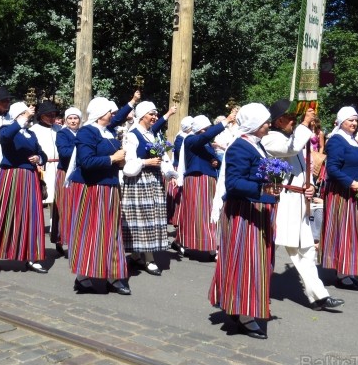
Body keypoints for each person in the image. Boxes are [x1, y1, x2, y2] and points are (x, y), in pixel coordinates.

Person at [261, 99, 344, 311]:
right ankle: (253, 289)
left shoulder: (292, 137)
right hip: (281, 203)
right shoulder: (271, 139)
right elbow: (292, 148)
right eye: (292, 118)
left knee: (306, 250)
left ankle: (319, 297)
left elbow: (301, 170)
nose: (295, 121)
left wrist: (310, 187)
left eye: (297, 118)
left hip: (297, 201)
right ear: (279, 121)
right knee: (266, 249)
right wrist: (306, 124)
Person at [209, 103, 275, 339]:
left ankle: (240, 306)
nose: (268, 124)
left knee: (255, 262)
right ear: (255, 125)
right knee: (248, 262)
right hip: (244, 213)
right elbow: (233, 183)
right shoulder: (239, 147)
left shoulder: (256, 146)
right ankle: (245, 314)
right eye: (265, 122)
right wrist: (263, 189)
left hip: (255, 210)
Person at [67, 97, 132, 295]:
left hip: (109, 188)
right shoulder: (87, 132)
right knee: (89, 231)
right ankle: (83, 276)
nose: (112, 114)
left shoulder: (109, 132)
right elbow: (86, 161)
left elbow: (112, 158)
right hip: (91, 188)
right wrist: (113, 158)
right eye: (109, 112)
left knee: (111, 232)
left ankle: (113, 274)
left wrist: (119, 161)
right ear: (99, 114)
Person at [0, 102, 48, 274]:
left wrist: (39, 158)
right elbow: (5, 138)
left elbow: (43, 154)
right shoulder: (6, 129)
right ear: (17, 115)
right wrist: (22, 118)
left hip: (30, 177)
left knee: (31, 216)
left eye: (28, 115)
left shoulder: (31, 134)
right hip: (11, 176)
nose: (28, 118)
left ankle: (32, 256)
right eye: (24, 115)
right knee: (5, 214)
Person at [121, 101, 177, 276]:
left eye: (155, 114)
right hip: (139, 180)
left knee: (153, 218)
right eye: (151, 114)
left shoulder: (153, 134)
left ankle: (138, 255)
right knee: (143, 219)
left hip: (153, 180)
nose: (154, 117)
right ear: (142, 115)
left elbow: (162, 157)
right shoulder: (133, 135)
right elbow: (128, 164)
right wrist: (146, 162)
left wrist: (169, 172)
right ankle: (149, 258)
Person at [322, 106, 358, 290]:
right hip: (343, 194)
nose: (353, 123)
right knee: (345, 234)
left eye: (355, 119)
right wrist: (352, 183)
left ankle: (349, 268)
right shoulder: (337, 141)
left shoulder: (352, 141)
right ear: (341, 121)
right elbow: (332, 169)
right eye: (350, 120)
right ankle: (342, 273)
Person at [174, 112, 235, 257]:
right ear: (201, 129)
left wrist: (215, 161)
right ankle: (210, 246)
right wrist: (225, 121)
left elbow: (213, 158)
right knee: (200, 213)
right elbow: (204, 138)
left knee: (208, 212)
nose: (209, 132)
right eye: (207, 128)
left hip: (208, 179)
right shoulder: (190, 139)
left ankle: (183, 241)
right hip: (197, 179)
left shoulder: (205, 143)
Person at [50, 106, 82, 257]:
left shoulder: (83, 133)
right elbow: (64, 152)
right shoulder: (62, 134)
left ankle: (76, 240)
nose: (73, 121)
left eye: (75, 118)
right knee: (65, 207)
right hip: (65, 174)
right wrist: (83, 151)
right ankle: (62, 239)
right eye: (70, 118)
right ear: (66, 120)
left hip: (80, 173)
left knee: (78, 207)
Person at [30, 101, 61, 206]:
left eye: (54, 115)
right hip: (43, 167)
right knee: (42, 196)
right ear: (42, 116)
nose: (52, 118)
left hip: (58, 166)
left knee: (57, 198)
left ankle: (55, 222)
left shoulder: (59, 129)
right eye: (49, 115)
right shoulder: (34, 130)